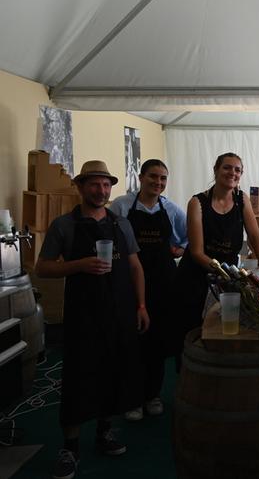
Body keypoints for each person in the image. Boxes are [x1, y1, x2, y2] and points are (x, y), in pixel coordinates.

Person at [36, 160, 150, 479]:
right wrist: (79, 265)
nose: (101, 190)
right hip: (83, 316)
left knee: (113, 372)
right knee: (78, 377)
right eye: (94, 184)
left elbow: (135, 267)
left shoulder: (121, 224)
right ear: (80, 186)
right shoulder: (64, 225)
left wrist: (141, 305)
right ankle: (70, 447)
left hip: (119, 312)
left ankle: (104, 431)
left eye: (106, 185)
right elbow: (43, 267)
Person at [110, 159, 188, 421]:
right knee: (131, 341)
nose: (158, 182)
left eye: (163, 178)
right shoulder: (121, 206)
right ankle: (131, 398)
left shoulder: (171, 209)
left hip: (164, 282)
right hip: (128, 281)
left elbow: (189, 235)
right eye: (153, 176)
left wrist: (180, 248)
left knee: (157, 340)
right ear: (141, 177)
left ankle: (152, 395)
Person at [176, 153, 259, 365]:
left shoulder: (241, 199)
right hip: (195, 278)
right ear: (216, 170)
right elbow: (197, 252)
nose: (232, 173)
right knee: (193, 334)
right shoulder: (197, 202)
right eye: (227, 167)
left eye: (237, 170)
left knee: (223, 332)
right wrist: (228, 275)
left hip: (225, 279)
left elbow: (255, 237)